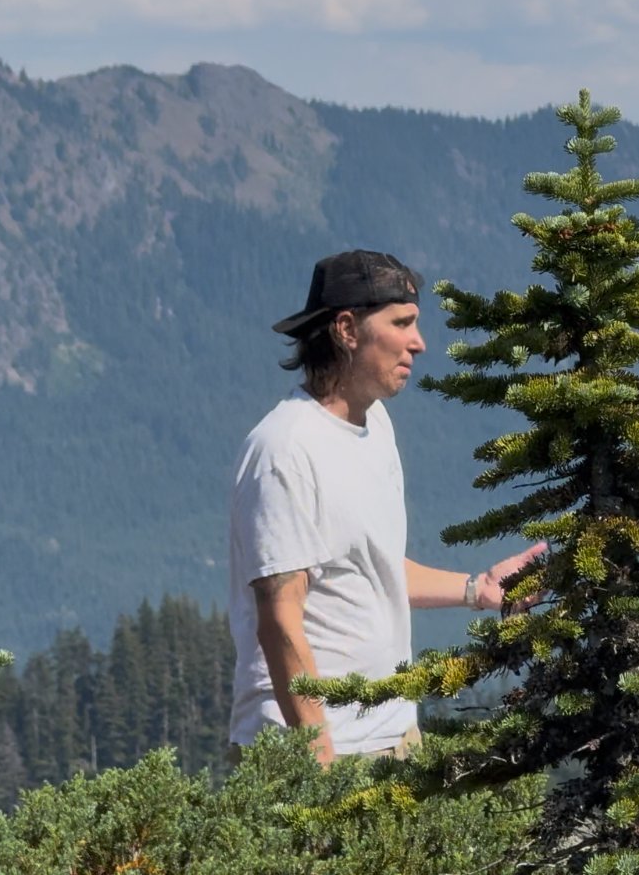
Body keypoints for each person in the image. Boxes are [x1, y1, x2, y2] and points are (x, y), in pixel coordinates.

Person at [227, 249, 545, 764]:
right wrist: (318, 768)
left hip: (392, 737)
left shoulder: (374, 427)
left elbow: (367, 568)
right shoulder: (284, 450)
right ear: (347, 329)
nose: (418, 343)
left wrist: (477, 589)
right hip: (323, 751)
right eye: (402, 324)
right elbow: (280, 621)